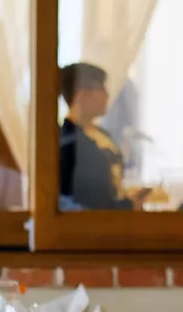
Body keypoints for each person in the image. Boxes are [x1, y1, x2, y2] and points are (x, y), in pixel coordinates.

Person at [59, 62, 150, 210]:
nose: (107, 95)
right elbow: (92, 204)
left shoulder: (102, 135)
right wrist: (128, 205)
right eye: (101, 88)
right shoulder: (69, 142)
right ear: (82, 94)